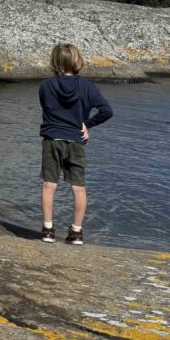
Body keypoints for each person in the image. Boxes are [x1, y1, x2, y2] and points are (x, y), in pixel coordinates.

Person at [38, 43, 113, 245]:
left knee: (49, 185)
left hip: (52, 138)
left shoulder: (45, 86)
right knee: (78, 188)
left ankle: (47, 229)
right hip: (75, 141)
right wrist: (86, 125)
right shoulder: (88, 87)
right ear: (77, 61)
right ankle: (76, 232)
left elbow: (46, 107)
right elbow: (107, 111)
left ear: (54, 61)